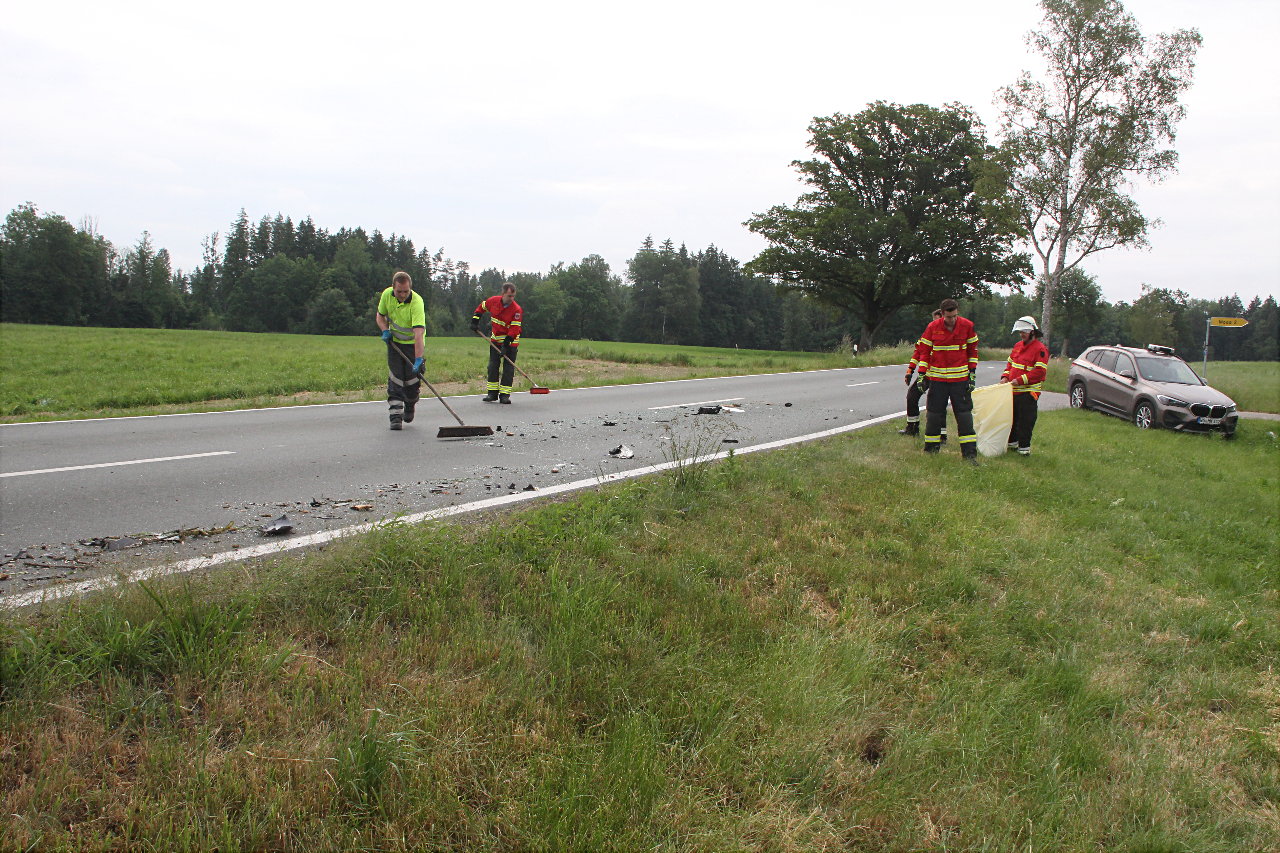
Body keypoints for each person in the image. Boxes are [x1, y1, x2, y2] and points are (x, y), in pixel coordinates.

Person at [916, 298, 979, 463]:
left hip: (960, 380)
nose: (952, 320)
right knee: (934, 415)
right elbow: (924, 353)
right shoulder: (932, 327)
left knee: (964, 416)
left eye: (955, 316)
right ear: (942, 314)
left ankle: (969, 455)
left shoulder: (967, 326)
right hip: (938, 380)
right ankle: (931, 450)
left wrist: (972, 374)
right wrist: (922, 374)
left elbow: (973, 352)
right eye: (949, 317)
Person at [375, 271, 425, 430]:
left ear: (410, 288)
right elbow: (380, 316)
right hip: (395, 344)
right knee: (396, 378)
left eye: (406, 291)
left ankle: (410, 404)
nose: (403, 295)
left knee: (412, 381)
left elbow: (418, 334)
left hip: (413, 345)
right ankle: (395, 416)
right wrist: (385, 330)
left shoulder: (417, 302)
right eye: (399, 291)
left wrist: (418, 359)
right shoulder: (386, 295)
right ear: (393, 288)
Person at [1000, 315, 1050, 456]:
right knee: (1011, 419)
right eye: (1020, 332)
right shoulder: (1017, 346)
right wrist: (1005, 377)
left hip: (1028, 393)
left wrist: (1020, 380)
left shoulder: (1040, 349)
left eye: (1024, 332)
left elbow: (1040, 372)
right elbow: (1010, 364)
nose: (1021, 334)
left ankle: (1024, 450)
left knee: (1025, 422)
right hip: (1013, 391)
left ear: (1032, 332)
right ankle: (1012, 445)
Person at [471, 282, 523, 404]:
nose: (512, 299)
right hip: (495, 340)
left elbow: (515, 329)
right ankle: (492, 393)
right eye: (509, 296)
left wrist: (506, 345)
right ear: (503, 294)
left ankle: (504, 395)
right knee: (492, 366)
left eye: (513, 296)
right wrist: (475, 321)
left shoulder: (516, 309)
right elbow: (481, 307)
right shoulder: (493, 301)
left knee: (508, 369)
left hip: (510, 342)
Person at [900, 309, 947, 443]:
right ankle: (912, 428)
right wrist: (910, 370)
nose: (935, 324)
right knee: (912, 396)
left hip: (940, 376)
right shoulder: (928, 333)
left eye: (938, 321)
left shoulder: (948, 337)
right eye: (933, 321)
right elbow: (918, 352)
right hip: (926, 375)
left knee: (938, 405)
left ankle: (942, 435)